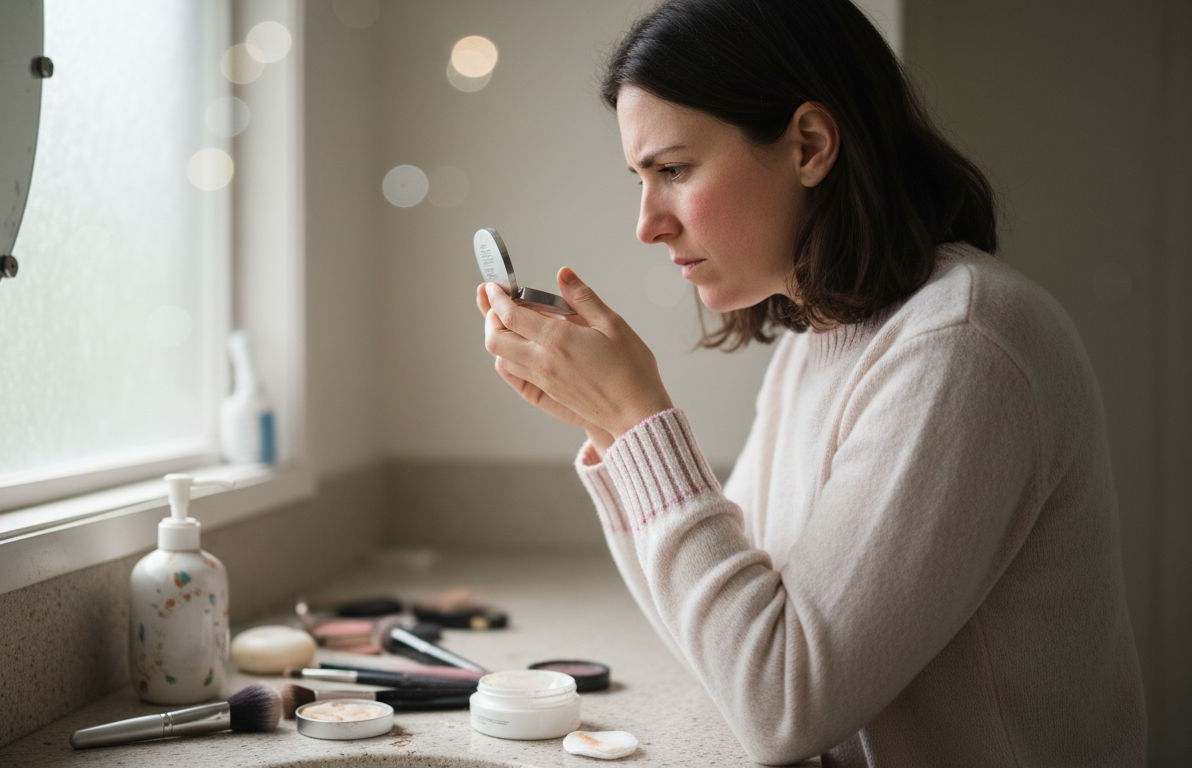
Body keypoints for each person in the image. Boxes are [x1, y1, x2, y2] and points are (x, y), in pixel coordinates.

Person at [475, 0, 1146, 765]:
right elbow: (725, 646)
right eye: (640, 177)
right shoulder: (817, 343)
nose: (647, 222)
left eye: (673, 170)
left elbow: (781, 705)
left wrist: (638, 424)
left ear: (810, 145)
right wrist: (609, 429)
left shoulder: (966, 344)